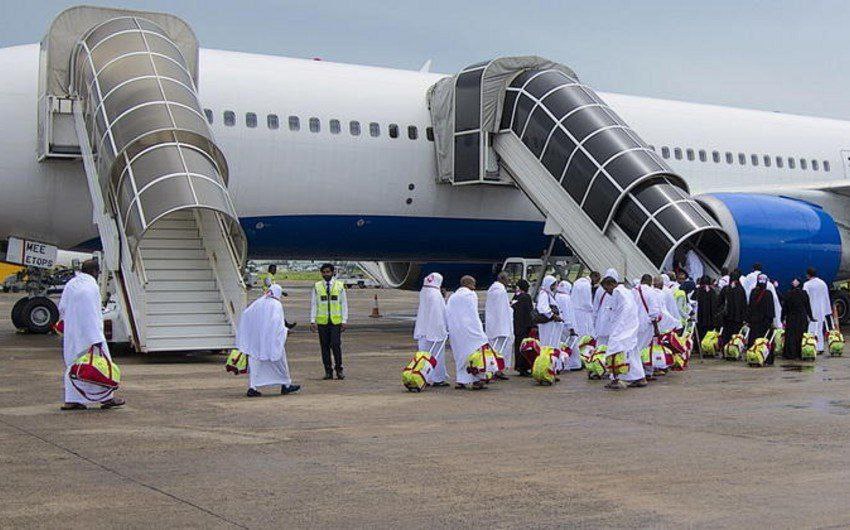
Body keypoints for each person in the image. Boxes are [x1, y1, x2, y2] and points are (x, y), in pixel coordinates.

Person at [57, 259, 124, 410]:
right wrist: (97, 338)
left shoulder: (71, 284)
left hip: (72, 335)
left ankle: (72, 400)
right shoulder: (91, 286)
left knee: (74, 365)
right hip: (90, 334)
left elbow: (62, 308)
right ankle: (106, 399)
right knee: (100, 365)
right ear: (95, 272)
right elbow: (93, 314)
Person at [237, 285, 301, 397]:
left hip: (257, 342)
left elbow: (246, 314)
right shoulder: (276, 305)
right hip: (271, 340)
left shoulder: (259, 302)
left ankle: (253, 387)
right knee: (280, 361)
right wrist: (285, 331)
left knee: (255, 363)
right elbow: (276, 323)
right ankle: (286, 385)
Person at [446, 275, 489, 390]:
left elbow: (448, 314)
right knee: (476, 355)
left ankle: (461, 380)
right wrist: (480, 330)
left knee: (460, 356)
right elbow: (473, 315)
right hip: (471, 331)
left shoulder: (453, 297)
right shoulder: (471, 295)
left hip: (456, 332)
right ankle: (477, 380)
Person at [600, 276, 642, 390]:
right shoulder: (626, 291)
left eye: (606, 288)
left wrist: (618, 328)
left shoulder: (618, 292)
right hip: (631, 326)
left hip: (623, 327)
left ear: (611, 285)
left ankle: (615, 379)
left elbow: (624, 310)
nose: (607, 292)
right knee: (632, 352)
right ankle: (639, 377)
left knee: (614, 351)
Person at [310, 263, 348, 380]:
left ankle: (339, 369)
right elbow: (314, 304)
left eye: (328, 272)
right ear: (321, 273)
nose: (326, 274)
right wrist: (312, 320)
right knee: (324, 347)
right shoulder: (317, 286)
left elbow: (344, 304)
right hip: (322, 322)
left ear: (332, 273)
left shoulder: (340, 286)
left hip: (335, 322)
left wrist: (344, 320)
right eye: (324, 272)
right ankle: (328, 371)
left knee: (336, 345)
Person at [413, 272, 449, 386]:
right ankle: (438, 379)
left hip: (423, 331)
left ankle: (424, 377)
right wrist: (443, 329)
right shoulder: (436, 295)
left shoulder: (424, 293)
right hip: (435, 332)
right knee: (437, 356)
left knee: (423, 355)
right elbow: (439, 315)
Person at [485, 272, 513, 380]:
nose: (508, 281)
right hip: (502, 326)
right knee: (500, 350)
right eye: (507, 279)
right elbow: (503, 310)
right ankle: (496, 370)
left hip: (492, 325)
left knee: (493, 349)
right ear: (502, 279)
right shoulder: (501, 291)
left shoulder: (492, 289)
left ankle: (493, 370)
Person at [634, 275, 661, 379]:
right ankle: (647, 373)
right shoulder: (651, 291)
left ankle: (638, 372)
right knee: (647, 349)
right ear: (650, 282)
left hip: (635, 324)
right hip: (647, 324)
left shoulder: (633, 291)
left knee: (636, 348)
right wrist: (656, 328)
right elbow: (654, 312)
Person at [745, 274, 776, 362]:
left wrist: (748, 319)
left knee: (753, 339)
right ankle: (766, 358)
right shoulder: (768, 293)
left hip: (754, 322)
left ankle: (752, 356)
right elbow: (770, 309)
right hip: (764, 322)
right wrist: (771, 320)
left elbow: (750, 306)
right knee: (765, 340)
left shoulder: (753, 292)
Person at [782, 278, 814, 360]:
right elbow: (808, 306)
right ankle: (800, 352)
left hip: (791, 318)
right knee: (801, 335)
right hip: (802, 318)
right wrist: (811, 317)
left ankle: (791, 354)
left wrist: (782, 317)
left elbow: (785, 307)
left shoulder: (789, 294)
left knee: (791, 336)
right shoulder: (804, 293)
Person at [743, 263, 782, 328]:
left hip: (754, 314)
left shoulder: (750, 280)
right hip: (765, 315)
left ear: (753, 269)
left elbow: (746, 293)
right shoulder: (769, 284)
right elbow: (775, 300)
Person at [803, 267, 832, 354]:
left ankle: (811, 347)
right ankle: (820, 347)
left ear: (808, 275)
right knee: (819, 328)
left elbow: (805, 298)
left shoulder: (807, 284)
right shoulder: (823, 283)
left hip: (811, 309)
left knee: (811, 329)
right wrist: (827, 310)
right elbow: (826, 297)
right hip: (821, 309)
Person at [555, 280, 581, 370]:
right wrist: (571, 328)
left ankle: (563, 363)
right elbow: (567, 313)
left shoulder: (556, 296)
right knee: (572, 344)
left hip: (559, 325)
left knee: (562, 344)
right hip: (567, 325)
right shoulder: (566, 298)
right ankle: (574, 364)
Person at [718, 270, 748, 346]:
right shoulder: (741, 290)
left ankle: (725, 350)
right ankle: (733, 352)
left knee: (726, 334)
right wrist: (745, 317)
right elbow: (744, 305)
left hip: (727, 317)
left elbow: (719, 302)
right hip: (738, 318)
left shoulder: (726, 288)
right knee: (735, 336)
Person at [511, 279, 534, 376]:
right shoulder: (527, 297)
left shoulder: (516, 296)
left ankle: (519, 366)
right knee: (525, 346)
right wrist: (532, 325)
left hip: (516, 325)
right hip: (525, 326)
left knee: (518, 346)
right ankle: (524, 367)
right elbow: (530, 312)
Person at [692, 275, 720, 350]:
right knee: (708, 333)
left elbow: (693, 302)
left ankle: (697, 347)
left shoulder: (697, 291)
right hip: (709, 318)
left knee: (699, 332)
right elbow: (715, 305)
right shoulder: (712, 291)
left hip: (699, 317)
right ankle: (707, 347)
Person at [593, 268, 619, 345]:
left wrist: (594, 321)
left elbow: (595, 307)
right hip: (613, 322)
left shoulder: (599, 290)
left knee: (601, 346)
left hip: (601, 320)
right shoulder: (617, 290)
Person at [536, 275, 562, 348]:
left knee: (552, 345)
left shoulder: (548, 294)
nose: (554, 287)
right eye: (553, 285)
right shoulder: (544, 294)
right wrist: (554, 316)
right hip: (547, 325)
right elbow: (543, 309)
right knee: (548, 345)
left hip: (551, 325)